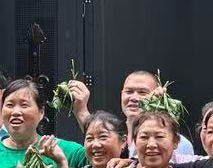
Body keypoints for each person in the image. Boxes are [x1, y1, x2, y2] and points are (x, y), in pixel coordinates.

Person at [68, 69, 196, 161]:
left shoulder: (177, 143)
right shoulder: (115, 137)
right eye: (129, 92)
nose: (134, 98)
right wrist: (80, 110)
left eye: (142, 92)